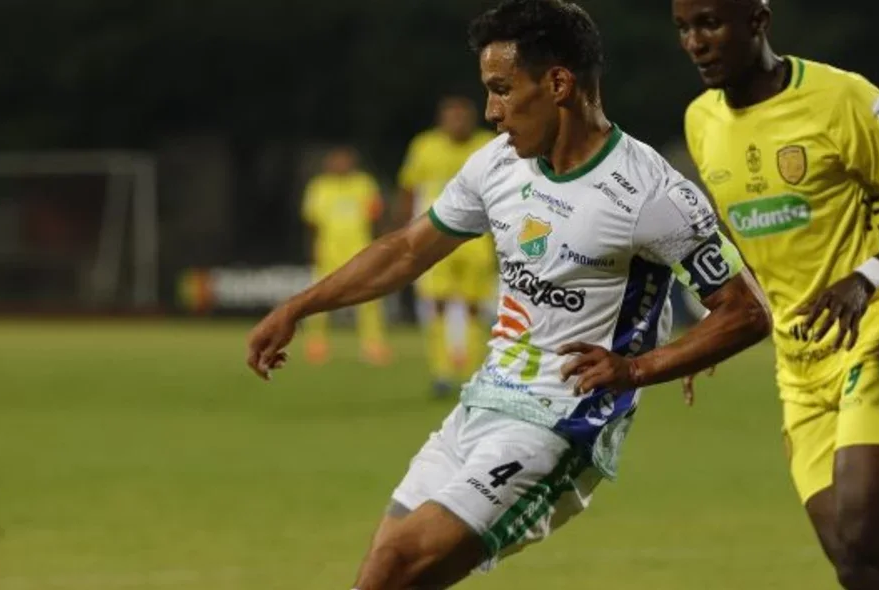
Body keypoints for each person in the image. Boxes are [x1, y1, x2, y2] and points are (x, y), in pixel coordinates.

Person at [246, 1, 771, 587]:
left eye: (501, 90)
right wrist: (300, 306)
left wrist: (641, 367)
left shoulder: (649, 193)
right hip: (483, 403)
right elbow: (406, 250)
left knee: (400, 563)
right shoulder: (497, 165)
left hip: (561, 422)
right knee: (383, 572)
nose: (491, 112)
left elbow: (747, 310)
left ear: (558, 83)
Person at [672, 0, 879, 588]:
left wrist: (866, 277)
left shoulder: (841, 97)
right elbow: (760, 248)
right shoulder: (701, 121)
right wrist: (716, 333)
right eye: (685, 28)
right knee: (852, 561)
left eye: (710, 23)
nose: (696, 42)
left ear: (758, 21)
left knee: (872, 530)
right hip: (801, 358)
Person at [394, 96, 500, 397]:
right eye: (451, 117)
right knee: (437, 304)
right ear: (441, 120)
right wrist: (404, 231)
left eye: (462, 117)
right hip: (433, 236)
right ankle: (441, 372)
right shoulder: (424, 146)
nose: (457, 123)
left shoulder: (487, 144)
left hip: (477, 239)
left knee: (473, 307)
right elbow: (409, 188)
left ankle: (474, 373)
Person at [299, 145, 391, 366]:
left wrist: (380, 247)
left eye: (345, 160)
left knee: (369, 299)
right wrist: (312, 250)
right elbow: (312, 224)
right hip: (328, 252)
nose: (341, 164)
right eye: (336, 160)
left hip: (360, 251)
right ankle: (316, 344)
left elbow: (376, 219)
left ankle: (373, 344)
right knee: (319, 298)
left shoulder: (364, 184)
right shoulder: (319, 187)